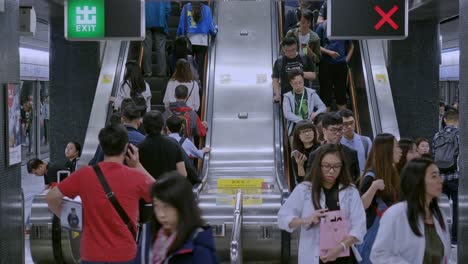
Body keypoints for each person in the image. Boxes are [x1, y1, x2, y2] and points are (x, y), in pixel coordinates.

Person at [46, 125, 155, 263]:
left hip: (91, 254)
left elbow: (51, 198)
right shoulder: (135, 177)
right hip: (124, 254)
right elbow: (165, 194)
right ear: (127, 147)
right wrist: (137, 165)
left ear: (101, 147)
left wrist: (70, 218)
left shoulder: (84, 174)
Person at [278, 144, 366, 264]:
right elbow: (283, 218)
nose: (331, 171)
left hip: (344, 256)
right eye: (326, 166)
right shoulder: (304, 190)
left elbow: (359, 227)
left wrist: (340, 248)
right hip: (313, 256)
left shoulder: (350, 191)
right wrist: (306, 220)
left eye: (336, 166)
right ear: (318, 166)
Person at [370, 158, 451, 263]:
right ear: (417, 181)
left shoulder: (439, 216)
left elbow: (444, 257)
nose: (440, 180)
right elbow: (379, 255)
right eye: (434, 176)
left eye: (439, 175)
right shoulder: (396, 214)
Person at [135, 172, 219, 263]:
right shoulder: (148, 236)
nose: (161, 214)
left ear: (182, 206)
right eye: (156, 206)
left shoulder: (199, 249)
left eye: (167, 206)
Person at [356, 133, 401, 262]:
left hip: (386, 234)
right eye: (396, 146)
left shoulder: (390, 172)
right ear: (386, 150)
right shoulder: (371, 176)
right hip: (373, 234)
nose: (400, 151)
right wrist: (373, 187)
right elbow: (361, 206)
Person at [306, 113, 360, 182]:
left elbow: (356, 179)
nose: (338, 133)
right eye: (333, 130)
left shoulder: (351, 153)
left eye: (340, 129)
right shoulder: (315, 155)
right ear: (324, 130)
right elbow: (310, 180)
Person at [432, 109, 459, 245]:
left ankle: (439, 236)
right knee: (458, 209)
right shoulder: (460, 134)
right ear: (458, 120)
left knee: (438, 209)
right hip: (455, 176)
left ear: (444, 120)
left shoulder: (437, 135)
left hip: (440, 178)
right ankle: (455, 238)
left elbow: (433, 154)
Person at [177, 2, 218, 87]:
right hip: (202, 41)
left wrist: (178, 36)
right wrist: (215, 30)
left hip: (188, 40)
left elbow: (181, 25)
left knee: (188, 65)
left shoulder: (185, 7)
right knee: (199, 66)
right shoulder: (206, 9)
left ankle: (186, 85)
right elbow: (211, 28)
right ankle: (197, 87)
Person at [316, 21, 354, 111]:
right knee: (325, 97)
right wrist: (329, 53)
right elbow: (316, 46)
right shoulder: (322, 27)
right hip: (325, 64)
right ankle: (325, 124)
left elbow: (351, 46)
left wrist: (345, 60)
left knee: (341, 96)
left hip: (341, 66)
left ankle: (344, 123)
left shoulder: (344, 27)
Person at [139, 110, 187, 180]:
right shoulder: (174, 144)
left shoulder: (139, 147)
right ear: (162, 126)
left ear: (144, 126)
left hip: (147, 188)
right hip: (169, 188)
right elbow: (183, 174)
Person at [283, 69, 326, 137]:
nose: (298, 85)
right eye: (295, 83)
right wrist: (302, 122)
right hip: (295, 126)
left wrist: (316, 113)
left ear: (303, 80)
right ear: (291, 83)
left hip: (310, 124)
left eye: (300, 82)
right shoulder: (287, 96)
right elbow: (287, 113)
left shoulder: (311, 93)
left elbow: (323, 106)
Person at [272, 36, 316, 101]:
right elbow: (275, 80)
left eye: (293, 50)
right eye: (288, 51)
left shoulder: (304, 58)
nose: (291, 53)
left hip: (304, 97)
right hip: (287, 98)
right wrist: (277, 94)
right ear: (283, 49)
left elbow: (313, 76)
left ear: (296, 47)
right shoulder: (279, 61)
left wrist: (300, 73)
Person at [339, 109, 372, 174]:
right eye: (345, 124)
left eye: (351, 122)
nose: (349, 126)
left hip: (364, 180)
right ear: (340, 125)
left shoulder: (365, 141)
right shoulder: (337, 143)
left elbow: (371, 164)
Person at [143, 0, 171, 77]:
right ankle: (161, 73)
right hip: (160, 22)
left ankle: (147, 72)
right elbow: (168, 8)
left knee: (147, 47)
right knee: (161, 48)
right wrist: (165, 21)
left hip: (146, 21)